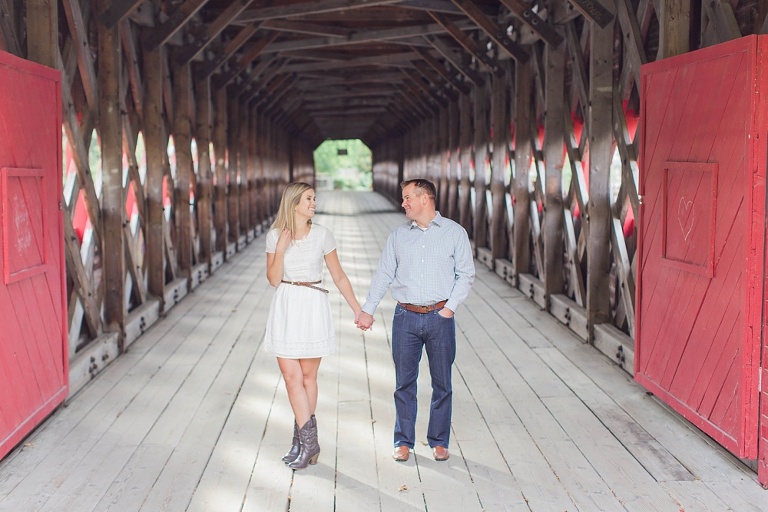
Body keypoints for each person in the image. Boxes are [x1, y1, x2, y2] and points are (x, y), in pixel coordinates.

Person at [356, 178, 475, 462]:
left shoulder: (454, 233)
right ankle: (403, 441)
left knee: (442, 382)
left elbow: (466, 274)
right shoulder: (398, 236)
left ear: (425, 199)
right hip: (405, 318)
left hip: (440, 317)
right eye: (403, 197)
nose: (403, 203)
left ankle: (439, 441)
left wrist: (450, 309)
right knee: (404, 383)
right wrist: (368, 309)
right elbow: (384, 273)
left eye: (408, 197)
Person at [265, 182, 366, 470]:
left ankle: (304, 442)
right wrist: (281, 249)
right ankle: (308, 442)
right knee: (289, 376)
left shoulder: (322, 234)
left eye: (314, 199)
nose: (314, 203)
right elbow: (273, 279)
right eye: (309, 198)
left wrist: (358, 310)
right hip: (286, 303)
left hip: (312, 306)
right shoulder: (275, 237)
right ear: (294, 203)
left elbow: (339, 276)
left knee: (308, 378)